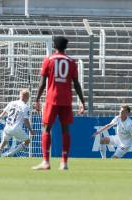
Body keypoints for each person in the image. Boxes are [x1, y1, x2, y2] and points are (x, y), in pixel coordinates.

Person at [32, 36, 86, 170]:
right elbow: (77, 84)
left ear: (55, 46)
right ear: (65, 47)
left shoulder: (48, 60)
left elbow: (42, 83)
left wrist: (37, 99)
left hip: (51, 99)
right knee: (65, 130)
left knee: (46, 128)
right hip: (66, 99)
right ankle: (64, 162)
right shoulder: (71, 62)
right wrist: (82, 101)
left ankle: (46, 161)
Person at [0, 89, 35, 157]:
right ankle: (11, 154)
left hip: (7, 128)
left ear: (20, 95)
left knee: (3, 143)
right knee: (27, 141)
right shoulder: (25, 107)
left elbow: (2, 114)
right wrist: (31, 130)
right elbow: (26, 122)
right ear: (27, 97)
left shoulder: (12, 103)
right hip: (16, 129)